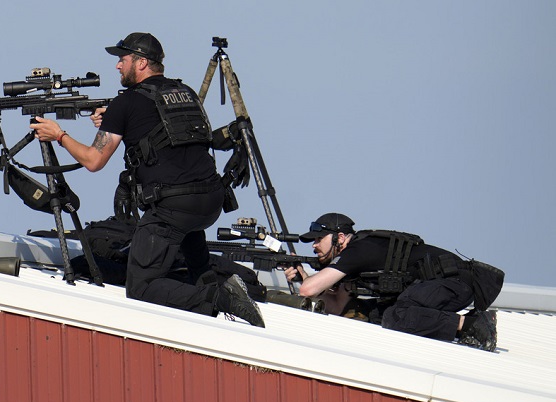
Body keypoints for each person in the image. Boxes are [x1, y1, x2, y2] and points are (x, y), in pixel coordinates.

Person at [30, 32, 264, 327]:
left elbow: (93, 160)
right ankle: (218, 294)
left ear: (141, 63)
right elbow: (164, 129)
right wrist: (116, 119)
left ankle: (221, 298)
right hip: (210, 200)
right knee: (195, 261)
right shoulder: (185, 92)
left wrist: (59, 135)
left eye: (123, 59)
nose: (118, 65)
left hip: (173, 206)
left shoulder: (126, 103)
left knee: (141, 287)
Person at [284, 213, 503, 351]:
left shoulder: (357, 251)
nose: (314, 245)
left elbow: (308, 290)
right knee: (374, 313)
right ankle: (467, 325)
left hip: (455, 281)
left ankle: (473, 326)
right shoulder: (355, 258)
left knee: (397, 315)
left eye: (318, 239)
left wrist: (305, 278)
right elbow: (339, 306)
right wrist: (307, 280)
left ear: (340, 238)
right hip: (443, 285)